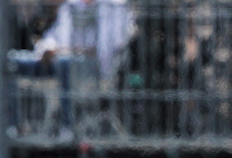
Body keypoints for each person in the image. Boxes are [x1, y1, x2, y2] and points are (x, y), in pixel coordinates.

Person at [8, 0, 136, 141]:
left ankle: (67, 128)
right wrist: (47, 48)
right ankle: (13, 126)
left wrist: (77, 51)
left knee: (66, 63)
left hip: (93, 67)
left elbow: (115, 42)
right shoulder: (69, 6)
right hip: (59, 60)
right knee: (12, 61)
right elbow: (53, 36)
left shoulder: (115, 6)